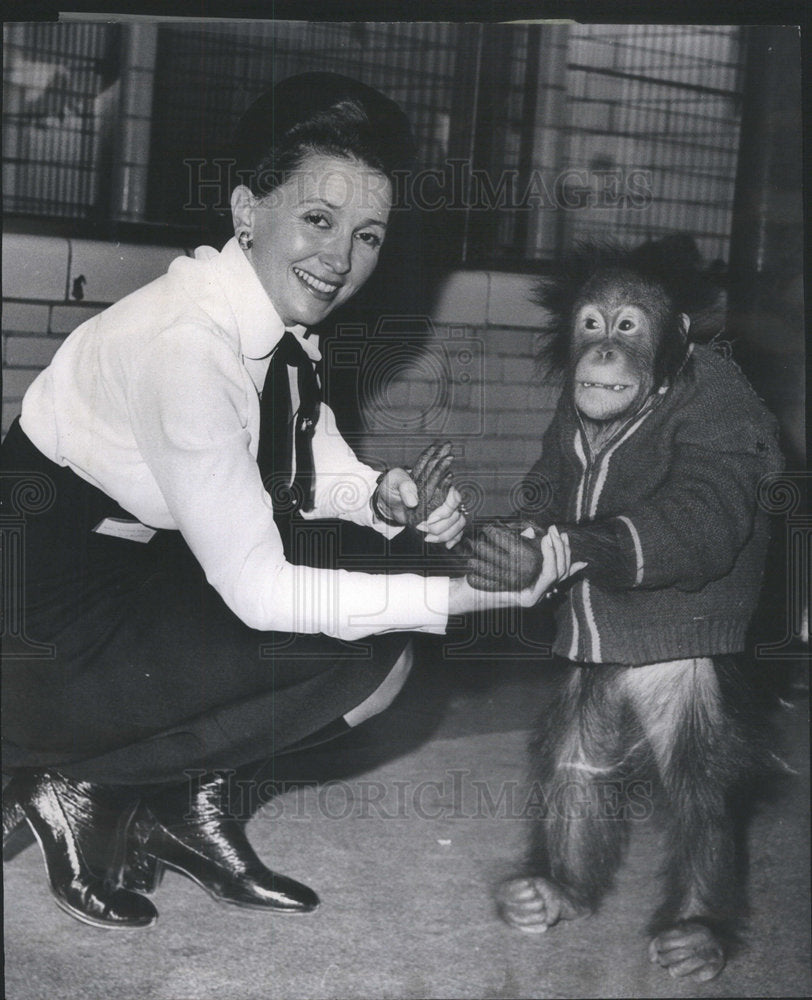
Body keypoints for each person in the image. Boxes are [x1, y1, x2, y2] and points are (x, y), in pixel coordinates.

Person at [1, 73, 572, 930]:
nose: (341, 259)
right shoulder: (185, 345)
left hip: (123, 590)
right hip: (35, 635)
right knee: (364, 624)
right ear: (245, 211)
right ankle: (81, 783)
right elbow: (260, 591)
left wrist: (384, 501)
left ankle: (187, 804)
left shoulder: (274, 323)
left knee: (374, 635)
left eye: (368, 234)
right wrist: (469, 598)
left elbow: (315, 457)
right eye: (318, 220)